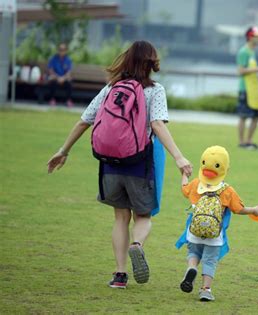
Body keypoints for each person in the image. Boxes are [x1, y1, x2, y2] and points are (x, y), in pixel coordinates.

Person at [46, 41, 193, 289]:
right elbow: (157, 124)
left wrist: (63, 151)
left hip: (110, 164)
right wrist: (179, 157)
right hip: (139, 162)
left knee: (120, 217)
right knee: (143, 216)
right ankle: (137, 245)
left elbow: (85, 121)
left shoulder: (110, 88)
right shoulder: (155, 90)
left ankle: (119, 275)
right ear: (151, 63)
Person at [176, 146, 258, 301]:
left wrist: (184, 174)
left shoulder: (195, 184)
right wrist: (254, 210)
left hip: (194, 231)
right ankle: (206, 290)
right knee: (210, 260)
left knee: (193, 253)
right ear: (225, 168)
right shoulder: (227, 190)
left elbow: (184, 189)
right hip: (215, 234)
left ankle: (191, 269)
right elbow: (239, 209)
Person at [236, 26, 258, 150]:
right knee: (243, 116)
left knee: (256, 116)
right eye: (257, 36)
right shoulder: (243, 52)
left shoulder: (252, 52)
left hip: (253, 89)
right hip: (245, 88)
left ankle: (249, 141)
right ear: (250, 37)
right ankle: (242, 142)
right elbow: (241, 71)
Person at [47, 43, 74, 107]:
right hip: (55, 78)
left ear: (66, 50)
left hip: (64, 79)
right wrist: (58, 77)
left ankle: (68, 100)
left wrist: (63, 78)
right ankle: (52, 99)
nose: (62, 51)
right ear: (58, 50)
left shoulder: (68, 60)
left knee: (69, 82)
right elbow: (51, 70)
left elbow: (69, 72)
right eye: (60, 49)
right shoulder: (53, 59)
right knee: (52, 81)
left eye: (63, 49)